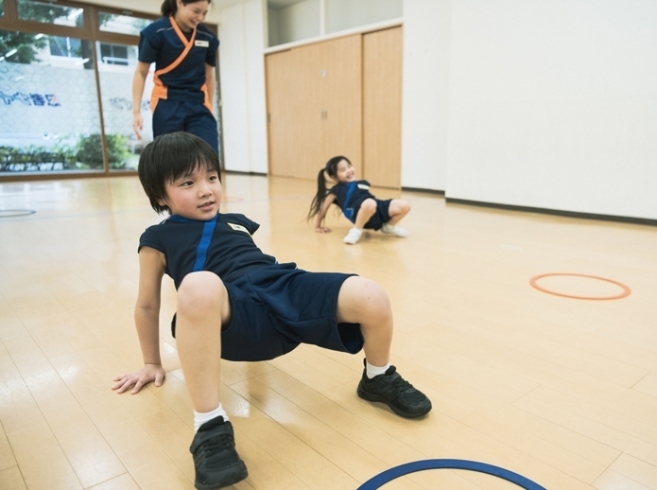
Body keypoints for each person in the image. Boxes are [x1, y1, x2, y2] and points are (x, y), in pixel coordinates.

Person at [112, 132, 432, 490]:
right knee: (198, 285)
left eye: (212, 178)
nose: (206, 190)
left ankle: (377, 376)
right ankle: (209, 426)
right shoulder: (158, 238)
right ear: (160, 196)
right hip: (233, 313)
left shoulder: (235, 220)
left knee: (371, 294)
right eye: (188, 182)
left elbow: (255, 263)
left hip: (280, 287)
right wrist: (152, 362)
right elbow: (146, 303)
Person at [132, 0, 220, 153]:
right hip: (167, 102)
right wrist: (136, 112)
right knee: (170, 160)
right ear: (179, 3)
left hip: (198, 102)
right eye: (196, 11)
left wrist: (209, 106)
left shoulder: (207, 37)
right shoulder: (156, 33)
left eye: (204, 13)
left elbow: (209, 76)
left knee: (208, 153)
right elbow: (141, 72)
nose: (200, 17)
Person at [308, 156, 411, 244]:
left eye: (349, 166)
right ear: (334, 177)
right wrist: (317, 226)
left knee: (405, 205)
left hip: (374, 207)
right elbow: (323, 207)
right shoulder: (336, 190)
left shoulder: (362, 183)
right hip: (359, 213)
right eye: (343, 170)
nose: (348, 170)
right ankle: (356, 230)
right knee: (369, 203)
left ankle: (388, 227)